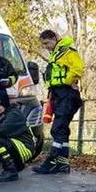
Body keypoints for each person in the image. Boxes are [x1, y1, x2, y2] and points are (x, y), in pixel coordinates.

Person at [34, 30, 84, 175]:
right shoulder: (57, 53)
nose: (46, 47)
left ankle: (51, 161)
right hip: (59, 94)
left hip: (66, 94)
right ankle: (62, 163)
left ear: (55, 38)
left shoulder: (67, 51)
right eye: (43, 44)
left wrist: (67, 82)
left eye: (47, 43)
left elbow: (78, 68)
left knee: (58, 128)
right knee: (62, 129)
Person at [0, 90, 34, 182]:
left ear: (5, 105)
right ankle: (16, 165)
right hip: (15, 144)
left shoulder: (14, 114)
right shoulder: (2, 115)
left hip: (25, 147)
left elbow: (2, 130)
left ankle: (11, 171)